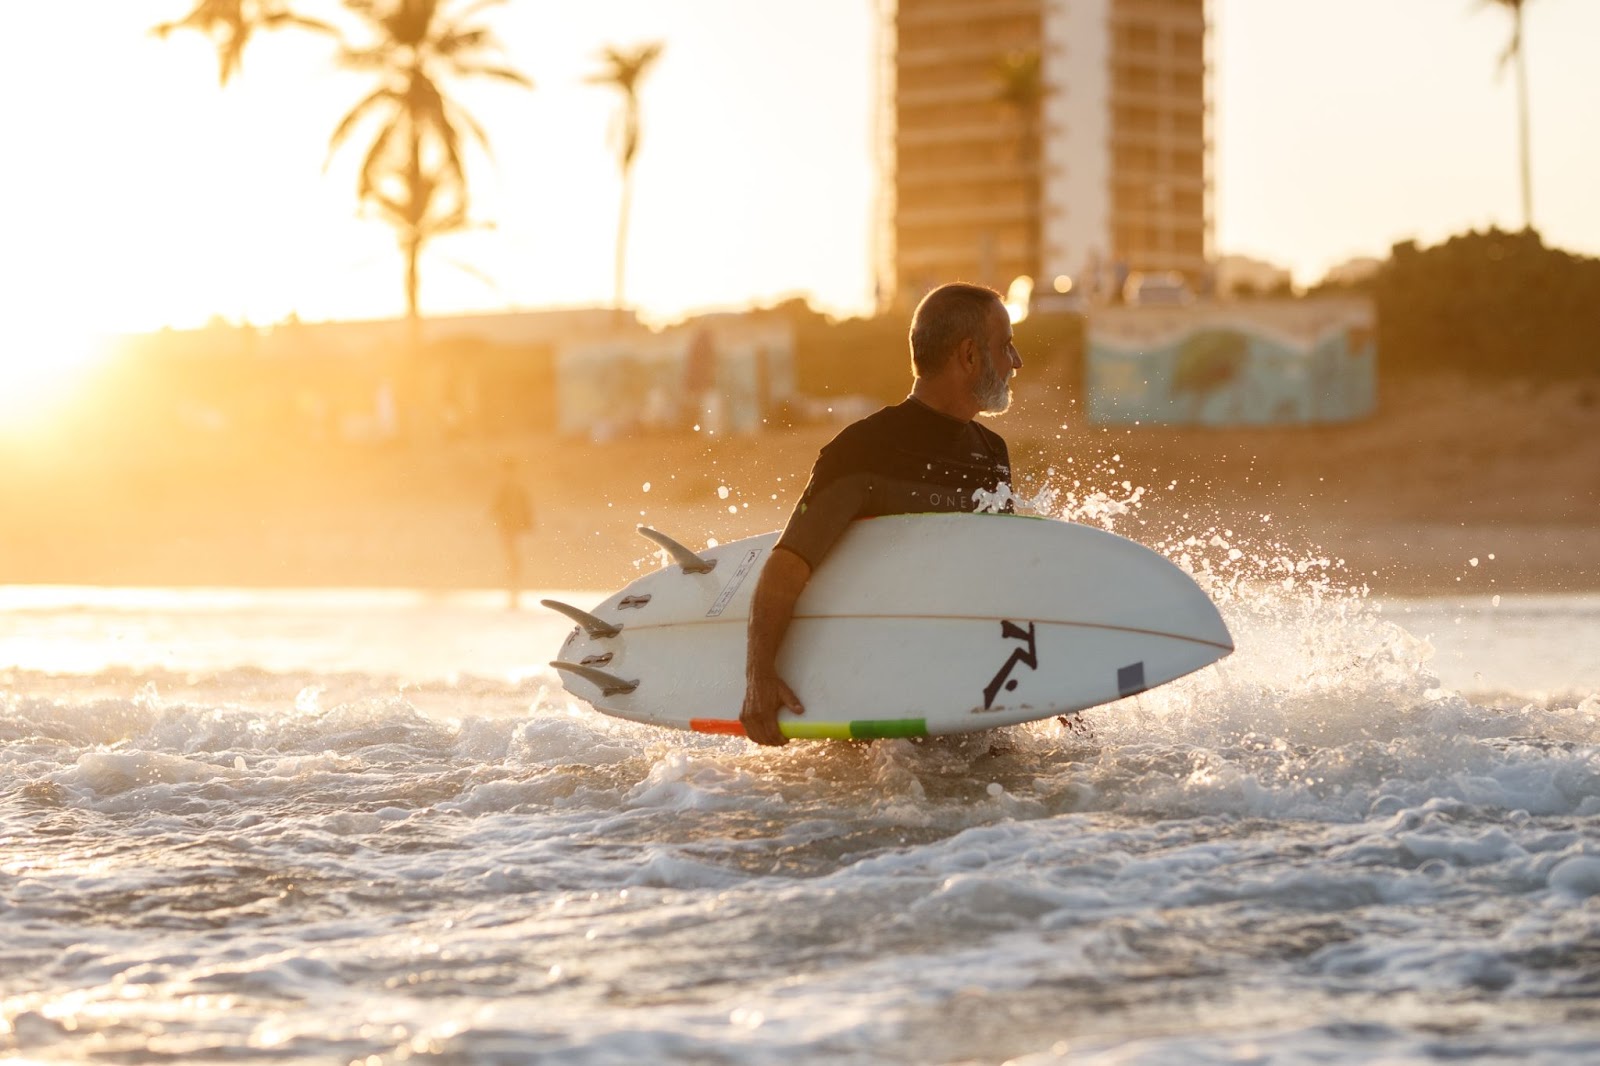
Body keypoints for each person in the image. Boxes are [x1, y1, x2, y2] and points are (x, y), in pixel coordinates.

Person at [739, 282, 1023, 746]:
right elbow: (788, 564)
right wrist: (759, 676)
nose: (1016, 361)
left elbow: (999, 580)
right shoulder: (865, 449)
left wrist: (1056, 688)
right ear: (970, 355)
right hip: (875, 701)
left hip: (960, 694)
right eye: (1005, 345)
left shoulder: (991, 452)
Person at [490, 458, 535, 609]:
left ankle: (513, 580)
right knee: (512, 553)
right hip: (511, 526)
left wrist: (528, 523)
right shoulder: (513, 487)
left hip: (512, 526)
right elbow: (498, 506)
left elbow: (497, 507)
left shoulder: (510, 488)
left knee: (512, 553)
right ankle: (513, 581)